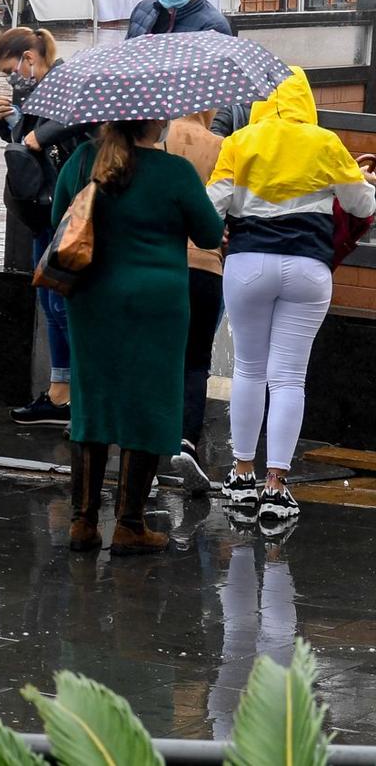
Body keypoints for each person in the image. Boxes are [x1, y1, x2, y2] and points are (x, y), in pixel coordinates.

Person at [208, 69, 375, 525]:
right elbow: (363, 207)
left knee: (248, 367)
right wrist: (355, 178)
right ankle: (277, 487)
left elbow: (211, 209)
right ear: (305, 98)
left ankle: (242, 475)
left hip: (248, 265)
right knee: (288, 379)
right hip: (308, 270)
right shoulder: (325, 143)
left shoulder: (239, 142)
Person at [54, 116, 223, 554]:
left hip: (92, 298)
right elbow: (209, 232)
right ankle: (130, 524)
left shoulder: (82, 160)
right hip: (158, 305)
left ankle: (83, 522)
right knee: (148, 402)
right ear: (156, 122)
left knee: (92, 400)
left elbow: (59, 219)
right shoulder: (175, 172)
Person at [0, 26, 84, 427]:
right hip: (41, 210)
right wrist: (6, 124)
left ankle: (73, 394)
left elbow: (69, 124)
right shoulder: (36, 90)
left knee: (62, 305)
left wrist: (34, 137)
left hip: (62, 209)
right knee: (49, 302)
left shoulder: (64, 82)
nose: (13, 79)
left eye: (13, 69)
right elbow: (23, 139)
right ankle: (59, 390)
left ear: (29, 57)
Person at [164, 110, 226, 494]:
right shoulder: (222, 146)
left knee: (160, 354)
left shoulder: (157, 140)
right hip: (206, 265)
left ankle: (150, 438)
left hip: (161, 263)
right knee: (196, 359)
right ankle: (186, 440)